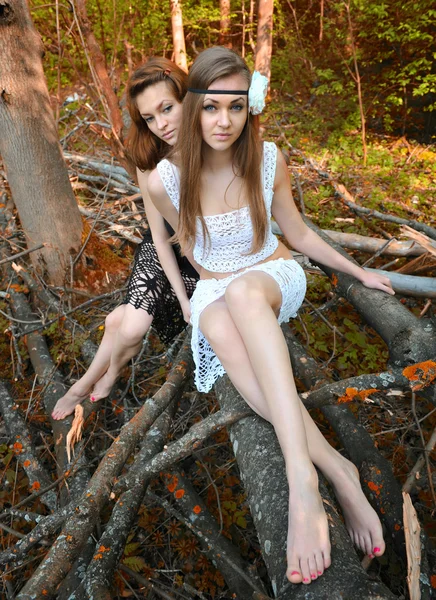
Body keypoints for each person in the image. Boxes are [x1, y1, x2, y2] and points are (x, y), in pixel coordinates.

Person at [148, 47, 395, 585]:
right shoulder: (163, 180)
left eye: (237, 108)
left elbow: (299, 233)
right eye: (212, 107)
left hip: (271, 276)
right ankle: (339, 469)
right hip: (218, 291)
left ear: (249, 109)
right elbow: (188, 249)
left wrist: (358, 270)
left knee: (240, 299)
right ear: (192, 107)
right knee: (216, 320)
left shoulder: (267, 159)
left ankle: (303, 481)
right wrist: (195, 299)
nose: (224, 121)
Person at [52, 58, 199, 420]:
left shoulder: (210, 141)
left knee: (122, 322)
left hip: (199, 254)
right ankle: (89, 381)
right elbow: (160, 235)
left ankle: (100, 373)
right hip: (161, 248)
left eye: (167, 108)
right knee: (133, 326)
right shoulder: (149, 158)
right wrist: (181, 298)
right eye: (150, 117)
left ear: (187, 99)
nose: (161, 124)